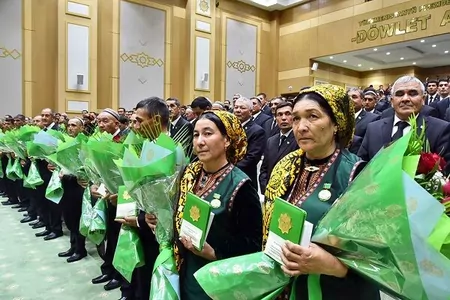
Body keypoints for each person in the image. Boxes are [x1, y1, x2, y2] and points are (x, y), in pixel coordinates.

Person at [263, 84, 380, 299]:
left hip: (337, 290)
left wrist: (333, 265)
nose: (301, 127)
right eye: (296, 118)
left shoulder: (356, 173)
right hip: (288, 286)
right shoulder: (285, 167)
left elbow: (378, 256)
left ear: (336, 123)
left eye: (313, 117)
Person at [173, 111, 263, 300]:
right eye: (196, 134)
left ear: (227, 140)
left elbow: (253, 243)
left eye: (208, 133)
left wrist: (214, 252)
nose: (199, 141)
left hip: (218, 281)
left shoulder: (241, 185)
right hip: (186, 269)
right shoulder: (190, 174)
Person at [358, 76, 450, 175]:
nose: (405, 99)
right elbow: (362, 167)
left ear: (423, 99)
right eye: (399, 94)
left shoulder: (440, 129)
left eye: (412, 93)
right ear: (392, 101)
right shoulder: (373, 128)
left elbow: (445, 173)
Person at [56, 118, 87, 263]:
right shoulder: (65, 142)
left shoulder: (84, 143)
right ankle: (72, 246)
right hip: (66, 183)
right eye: (68, 125)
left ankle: (80, 249)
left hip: (78, 185)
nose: (70, 128)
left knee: (76, 217)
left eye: (74, 125)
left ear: (81, 128)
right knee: (67, 215)